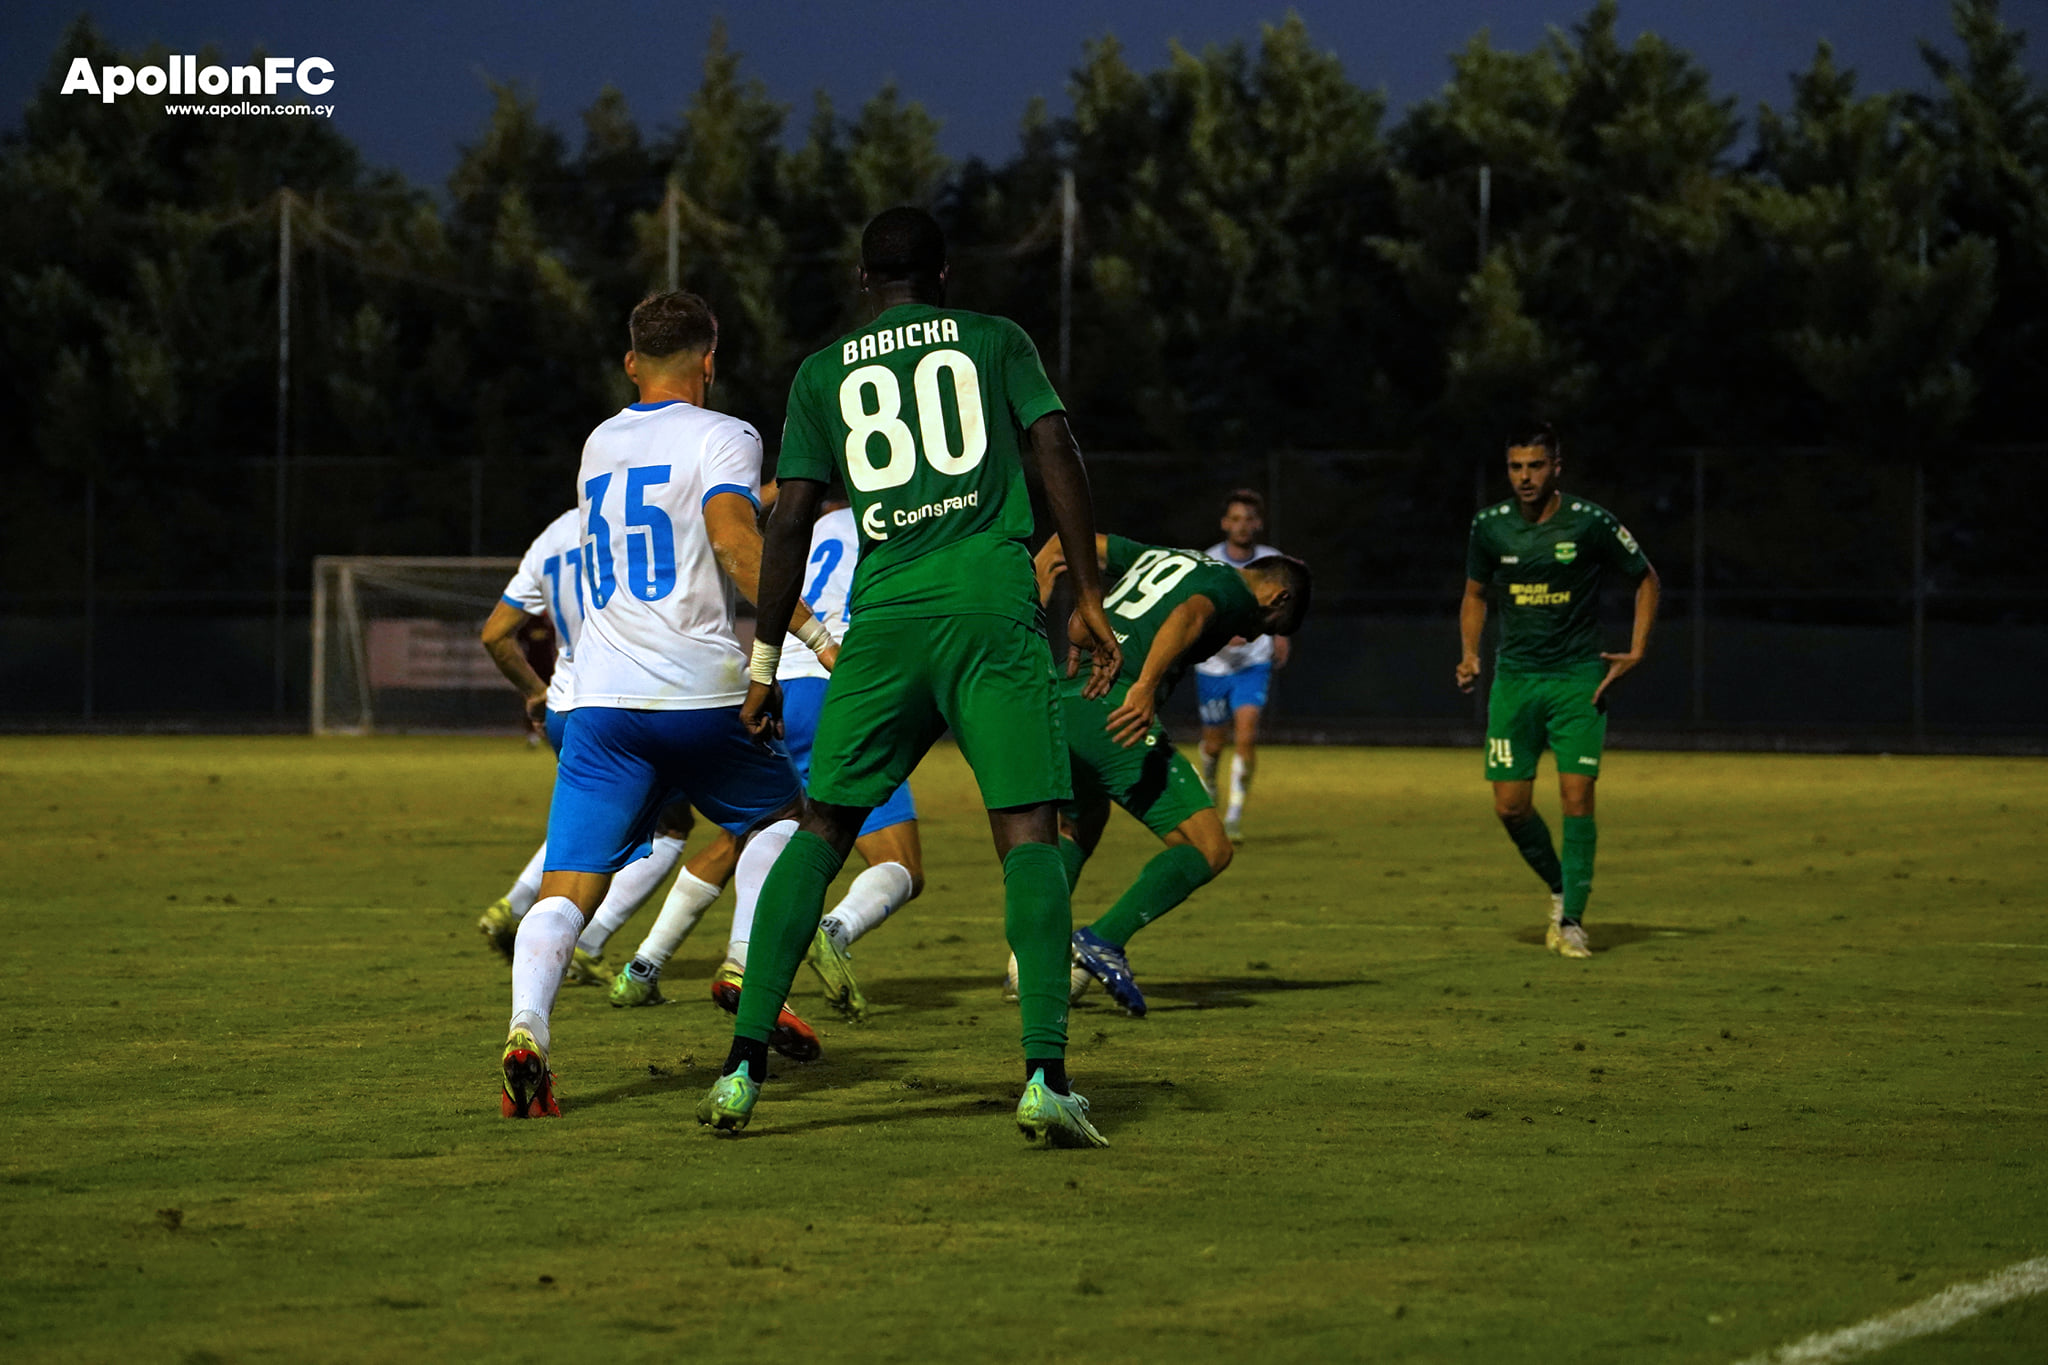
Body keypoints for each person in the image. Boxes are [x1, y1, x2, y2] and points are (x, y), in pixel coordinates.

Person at [696, 205, 1123, 1148]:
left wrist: (766, 661)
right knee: (1028, 834)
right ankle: (1045, 1078)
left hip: (883, 621)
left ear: (862, 283)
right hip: (989, 609)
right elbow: (1056, 450)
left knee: (821, 828)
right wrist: (1085, 591)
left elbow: (792, 523)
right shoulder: (996, 340)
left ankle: (739, 1070)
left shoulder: (821, 372)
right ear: (945, 275)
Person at [498, 290, 838, 1118]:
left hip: (602, 702)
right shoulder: (725, 433)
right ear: (710, 361)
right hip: (698, 691)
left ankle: (527, 1029)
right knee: (784, 821)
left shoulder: (598, 442)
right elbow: (732, 539)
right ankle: (742, 965)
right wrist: (819, 635)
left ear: (629, 364)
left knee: (567, 888)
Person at [607, 489, 927, 1022]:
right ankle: (833, 930)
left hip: (781, 684)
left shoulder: (813, 531)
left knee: (752, 831)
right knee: (900, 863)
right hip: (839, 684)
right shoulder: (896, 520)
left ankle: (643, 966)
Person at [1022, 533, 1312, 1016]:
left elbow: (1067, 540)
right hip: (1111, 707)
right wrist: (1145, 686)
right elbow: (1189, 614)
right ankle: (1104, 939)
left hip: (1058, 699)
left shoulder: (1167, 556)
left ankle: (1030, 964)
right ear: (1278, 597)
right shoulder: (1234, 592)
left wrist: (1038, 592)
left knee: (1078, 827)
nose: (1258, 635)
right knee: (1210, 848)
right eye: (1272, 624)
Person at [477, 508, 719, 987]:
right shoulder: (637, 520)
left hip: (564, 707)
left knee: (589, 818)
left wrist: (533, 690)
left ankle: (515, 903)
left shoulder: (550, 535)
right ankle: (587, 943)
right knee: (672, 827)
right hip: (619, 697)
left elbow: (494, 634)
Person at [1456, 424, 1659, 960]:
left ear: (1556, 468)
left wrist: (1637, 650)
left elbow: (1646, 578)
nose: (1525, 477)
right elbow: (1475, 594)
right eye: (1517, 467)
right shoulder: (1489, 527)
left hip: (1576, 679)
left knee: (1576, 796)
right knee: (1509, 807)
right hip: (1515, 680)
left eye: (1536, 466)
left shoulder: (1590, 523)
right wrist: (1471, 652)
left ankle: (1571, 920)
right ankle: (1557, 886)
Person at [1194, 489, 1290, 841]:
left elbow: (1283, 608)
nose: (1242, 525)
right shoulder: (1209, 562)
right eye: (1235, 518)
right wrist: (1219, 631)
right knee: (1215, 743)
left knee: (1247, 737)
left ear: (1259, 523)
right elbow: (1195, 611)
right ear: (1224, 524)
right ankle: (1209, 783)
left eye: (1249, 518)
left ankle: (1233, 816)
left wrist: (1281, 634)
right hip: (1213, 666)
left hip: (1254, 662)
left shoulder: (1271, 561)